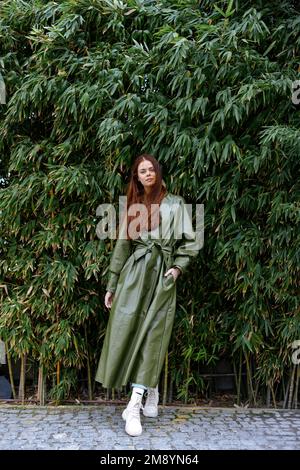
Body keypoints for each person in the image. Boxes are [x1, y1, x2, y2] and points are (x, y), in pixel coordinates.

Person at [95, 154, 201, 436]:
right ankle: (147, 390)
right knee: (129, 331)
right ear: (137, 177)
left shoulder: (176, 204)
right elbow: (121, 246)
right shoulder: (133, 205)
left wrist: (177, 268)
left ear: (158, 172)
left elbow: (191, 241)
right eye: (142, 171)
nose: (147, 174)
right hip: (134, 275)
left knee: (154, 334)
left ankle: (135, 402)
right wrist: (112, 284)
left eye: (151, 169)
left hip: (163, 276)